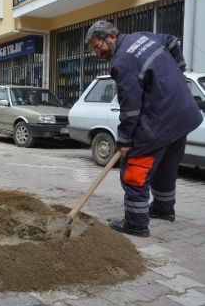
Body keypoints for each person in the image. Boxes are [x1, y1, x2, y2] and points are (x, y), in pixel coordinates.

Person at [85, 20, 203, 237]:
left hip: (160, 123)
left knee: (134, 173)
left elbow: (130, 108)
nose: (96, 53)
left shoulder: (121, 62)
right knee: (166, 167)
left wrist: (124, 141)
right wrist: (179, 70)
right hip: (184, 116)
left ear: (111, 36)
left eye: (97, 46)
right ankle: (163, 209)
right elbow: (172, 41)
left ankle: (136, 223)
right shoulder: (144, 37)